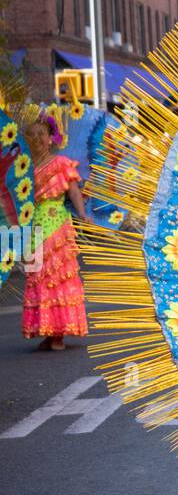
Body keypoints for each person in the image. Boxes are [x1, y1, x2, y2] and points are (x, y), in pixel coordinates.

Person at [20, 108, 88, 350]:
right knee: (37, 276)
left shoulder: (61, 163)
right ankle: (47, 330)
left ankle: (58, 332)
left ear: (51, 138)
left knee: (55, 276)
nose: (38, 139)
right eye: (33, 135)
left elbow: (73, 191)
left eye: (42, 134)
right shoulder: (23, 168)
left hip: (57, 224)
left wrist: (81, 213)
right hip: (32, 223)